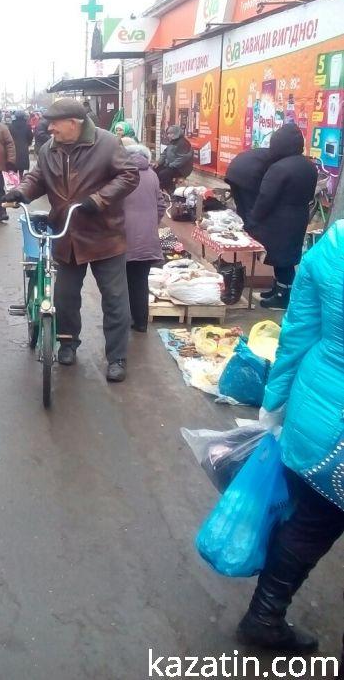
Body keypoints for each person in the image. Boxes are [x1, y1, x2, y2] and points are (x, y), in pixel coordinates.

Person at [236, 218, 344, 668]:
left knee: (308, 523)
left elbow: (297, 333)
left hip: (317, 412)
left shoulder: (334, 244)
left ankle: (264, 616)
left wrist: (274, 406)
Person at [4, 98, 140, 383]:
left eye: (54, 123)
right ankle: (67, 343)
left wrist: (99, 200)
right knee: (65, 297)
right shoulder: (48, 149)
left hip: (104, 234)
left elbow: (129, 175)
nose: (49, 128)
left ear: (74, 123)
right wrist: (21, 193)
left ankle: (117, 358)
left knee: (115, 300)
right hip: (66, 234)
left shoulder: (106, 143)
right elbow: (37, 178)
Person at [247, 123, 317, 310]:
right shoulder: (309, 166)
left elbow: (265, 197)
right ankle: (278, 289)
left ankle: (283, 295)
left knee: (280, 258)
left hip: (279, 220)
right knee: (288, 255)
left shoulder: (279, 168)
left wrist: (253, 219)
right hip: (299, 215)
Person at [121, 141, 168, 333]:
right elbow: (161, 205)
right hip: (147, 238)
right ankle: (140, 322)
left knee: (119, 282)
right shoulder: (152, 175)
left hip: (122, 236)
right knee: (140, 281)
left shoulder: (120, 175)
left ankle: (122, 321)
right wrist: (150, 224)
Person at [224, 147, 271, 230]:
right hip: (246, 177)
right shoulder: (277, 158)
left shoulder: (264, 152)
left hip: (232, 172)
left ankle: (242, 229)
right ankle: (250, 233)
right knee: (251, 209)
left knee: (241, 206)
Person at [154, 124, 193, 192]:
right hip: (171, 165)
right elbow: (165, 153)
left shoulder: (183, 143)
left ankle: (171, 190)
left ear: (176, 133)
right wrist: (158, 162)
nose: (168, 135)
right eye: (168, 133)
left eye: (170, 134)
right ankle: (159, 188)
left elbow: (182, 159)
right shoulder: (172, 141)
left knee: (164, 174)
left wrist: (170, 165)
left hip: (182, 168)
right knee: (155, 169)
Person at [8, 109, 33, 177]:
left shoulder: (11, 126)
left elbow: (8, 137)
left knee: (14, 165)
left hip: (13, 148)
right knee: (22, 167)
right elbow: (30, 136)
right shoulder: (27, 126)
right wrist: (28, 143)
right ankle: (21, 178)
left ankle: (15, 180)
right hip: (23, 147)